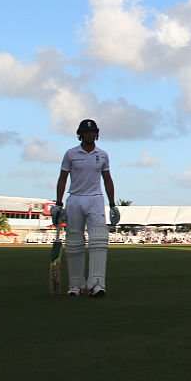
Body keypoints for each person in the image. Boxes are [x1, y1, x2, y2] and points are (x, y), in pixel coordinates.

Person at [52, 119, 119, 297]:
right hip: (75, 198)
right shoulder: (71, 154)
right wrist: (58, 203)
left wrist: (112, 205)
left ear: (96, 134)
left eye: (92, 132)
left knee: (99, 240)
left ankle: (97, 284)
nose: (89, 135)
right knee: (74, 241)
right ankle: (76, 285)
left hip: (95, 199)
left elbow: (108, 180)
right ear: (80, 134)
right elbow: (62, 179)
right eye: (86, 132)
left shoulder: (103, 155)